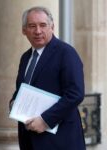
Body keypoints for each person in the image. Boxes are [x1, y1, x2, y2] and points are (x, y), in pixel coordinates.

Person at [10, 6, 86, 150]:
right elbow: (23, 89)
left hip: (60, 140)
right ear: (24, 30)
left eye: (43, 25)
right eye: (32, 26)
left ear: (52, 27)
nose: (38, 31)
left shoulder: (66, 53)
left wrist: (45, 121)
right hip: (29, 139)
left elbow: (75, 93)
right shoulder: (25, 58)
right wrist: (14, 102)